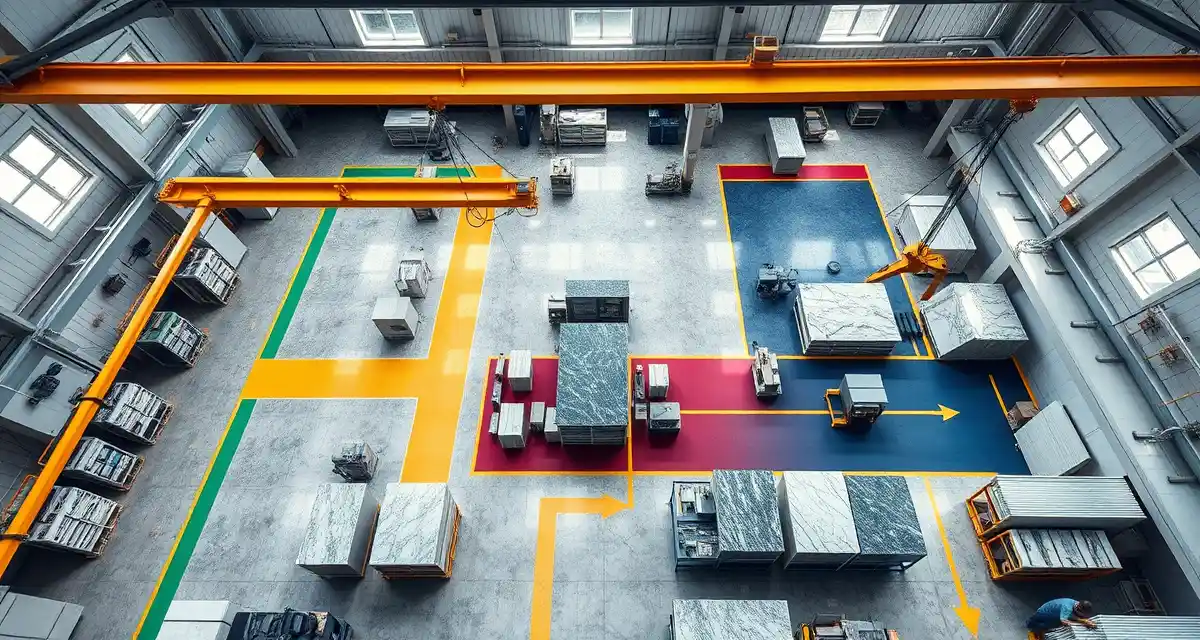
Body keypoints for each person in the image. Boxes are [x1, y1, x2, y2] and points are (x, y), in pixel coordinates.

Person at [1026, 598, 1097, 638]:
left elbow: (1071, 616)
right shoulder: (1067, 607)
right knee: (1043, 625)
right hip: (1045, 614)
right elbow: (1065, 622)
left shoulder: (1076, 603)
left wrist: (1083, 621)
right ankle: (1034, 632)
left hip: (1053, 611)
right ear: (1078, 608)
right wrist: (1083, 624)